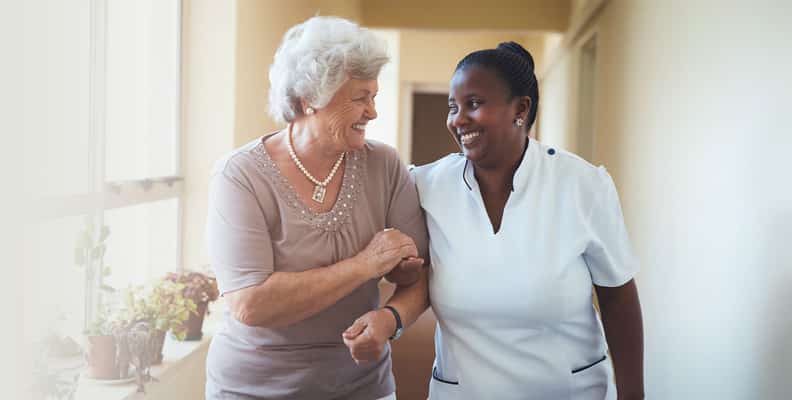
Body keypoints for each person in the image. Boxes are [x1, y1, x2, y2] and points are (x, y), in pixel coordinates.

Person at [342, 42, 645, 399]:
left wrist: (633, 395)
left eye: (474, 104)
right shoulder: (425, 185)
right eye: (453, 107)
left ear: (520, 108)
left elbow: (619, 299)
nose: (458, 119)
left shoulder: (582, 185)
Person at [205, 16, 431, 400]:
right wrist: (366, 264)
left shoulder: (385, 166)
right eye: (360, 97)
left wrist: (389, 319)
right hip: (254, 389)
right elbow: (250, 303)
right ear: (311, 97)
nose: (372, 112)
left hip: (362, 386)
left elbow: (422, 276)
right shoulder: (239, 176)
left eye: (374, 97)